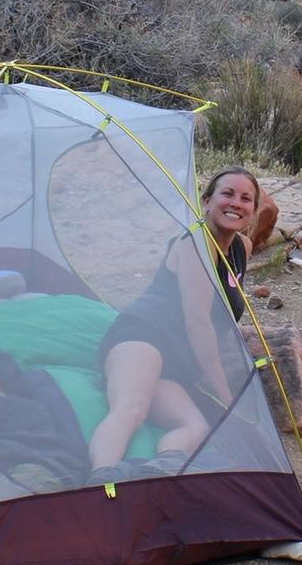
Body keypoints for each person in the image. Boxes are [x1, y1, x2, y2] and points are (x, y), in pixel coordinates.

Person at [87, 167, 259, 479]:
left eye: (246, 199)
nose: (236, 203)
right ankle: (101, 479)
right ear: (206, 201)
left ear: (253, 211)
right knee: (131, 409)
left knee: (195, 427)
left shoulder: (241, 248)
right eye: (227, 194)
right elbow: (198, 323)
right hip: (143, 337)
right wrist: (223, 393)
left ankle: (158, 472)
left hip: (176, 361)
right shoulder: (195, 244)